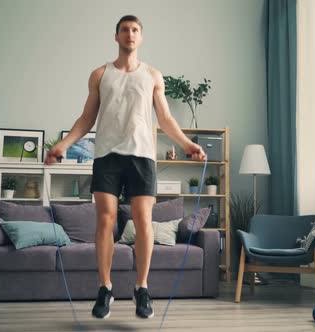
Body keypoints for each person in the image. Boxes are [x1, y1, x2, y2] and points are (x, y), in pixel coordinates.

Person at [45, 15, 206, 320]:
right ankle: (104, 287)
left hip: (142, 156)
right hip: (107, 156)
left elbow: (166, 120)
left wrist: (187, 144)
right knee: (105, 220)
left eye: (135, 30)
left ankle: (141, 288)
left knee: (143, 220)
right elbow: (86, 119)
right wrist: (63, 145)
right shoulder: (100, 74)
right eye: (124, 30)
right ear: (116, 36)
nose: (129, 34)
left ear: (140, 38)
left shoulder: (153, 76)